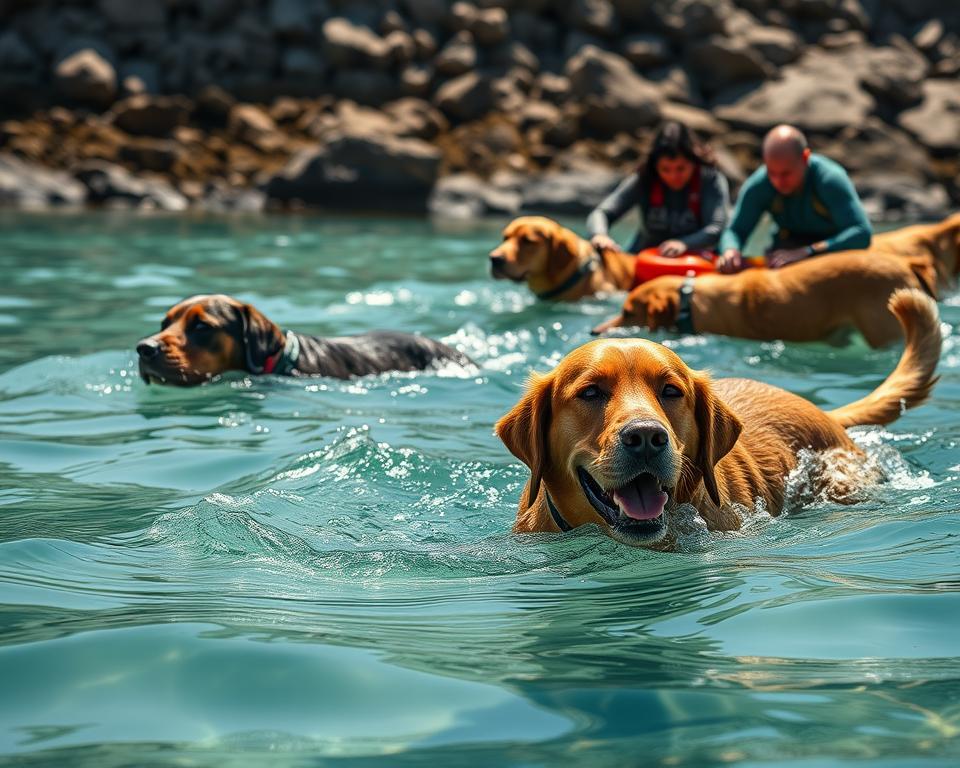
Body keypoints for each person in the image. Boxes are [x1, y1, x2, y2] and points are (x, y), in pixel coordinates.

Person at [717, 124, 872, 273]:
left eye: (786, 173)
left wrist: (808, 251)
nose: (778, 181)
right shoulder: (760, 184)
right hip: (786, 247)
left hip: (830, 247)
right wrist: (731, 250)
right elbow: (735, 230)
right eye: (772, 172)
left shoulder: (829, 179)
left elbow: (861, 232)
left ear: (805, 158)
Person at [587, 121, 730, 257]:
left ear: (694, 162)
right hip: (645, 257)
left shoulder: (710, 179)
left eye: (681, 168)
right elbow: (601, 213)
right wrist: (599, 235)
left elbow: (716, 227)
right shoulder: (645, 178)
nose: (673, 176)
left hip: (695, 262)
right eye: (665, 169)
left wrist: (684, 244)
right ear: (655, 166)